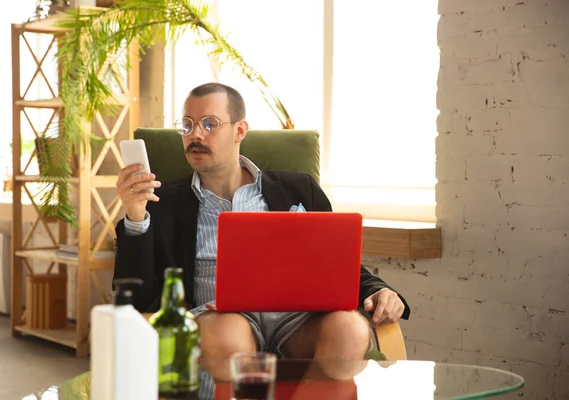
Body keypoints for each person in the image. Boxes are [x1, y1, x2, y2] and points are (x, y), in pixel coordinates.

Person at [114, 82, 410, 363]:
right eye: (188, 125)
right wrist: (136, 216)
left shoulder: (299, 189)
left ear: (239, 130)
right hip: (219, 321)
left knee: (350, 329)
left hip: (297, 320)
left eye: (209, 124)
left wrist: (377, 290)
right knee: (228, 333)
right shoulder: (161, 203)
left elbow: (338, 265)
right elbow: (135, 297)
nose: (196, 136)